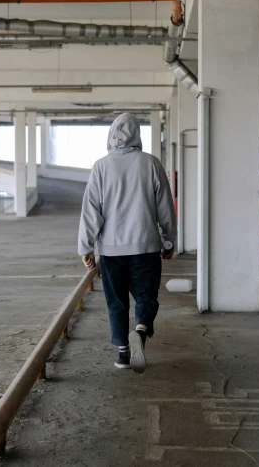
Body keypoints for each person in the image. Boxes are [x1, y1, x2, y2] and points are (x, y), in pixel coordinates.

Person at [78, 113, 176, 373]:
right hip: (146, 245)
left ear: (110, 136)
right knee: (146, 295)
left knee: (117, 300)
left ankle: (123, 353)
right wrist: (169, 239)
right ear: (138, 135)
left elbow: (91, 210)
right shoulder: (151, 163)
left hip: (111, 248)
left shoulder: (101, 166)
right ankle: (141, 331)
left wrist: (86, 247)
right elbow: (165, 207)